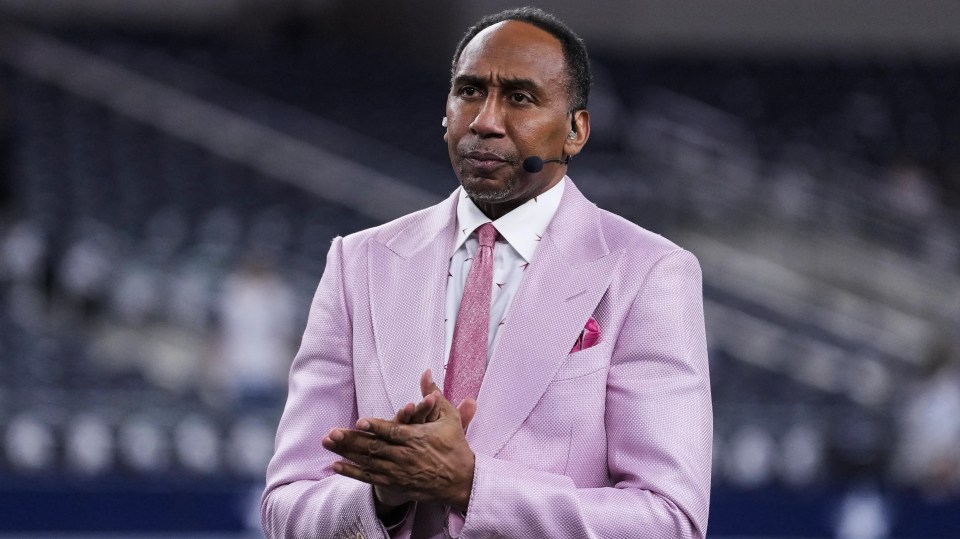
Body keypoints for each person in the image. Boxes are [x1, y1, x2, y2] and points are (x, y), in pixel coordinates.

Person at [261, 7, 712, 538]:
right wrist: (381, 494)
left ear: (576, 131)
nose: (485, 121)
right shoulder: (357, 263)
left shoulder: (650, 273)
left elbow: (670, 521)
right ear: (446, 111)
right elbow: (285, 507)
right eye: (470, 91)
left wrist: (472, 486)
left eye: (519, 98)